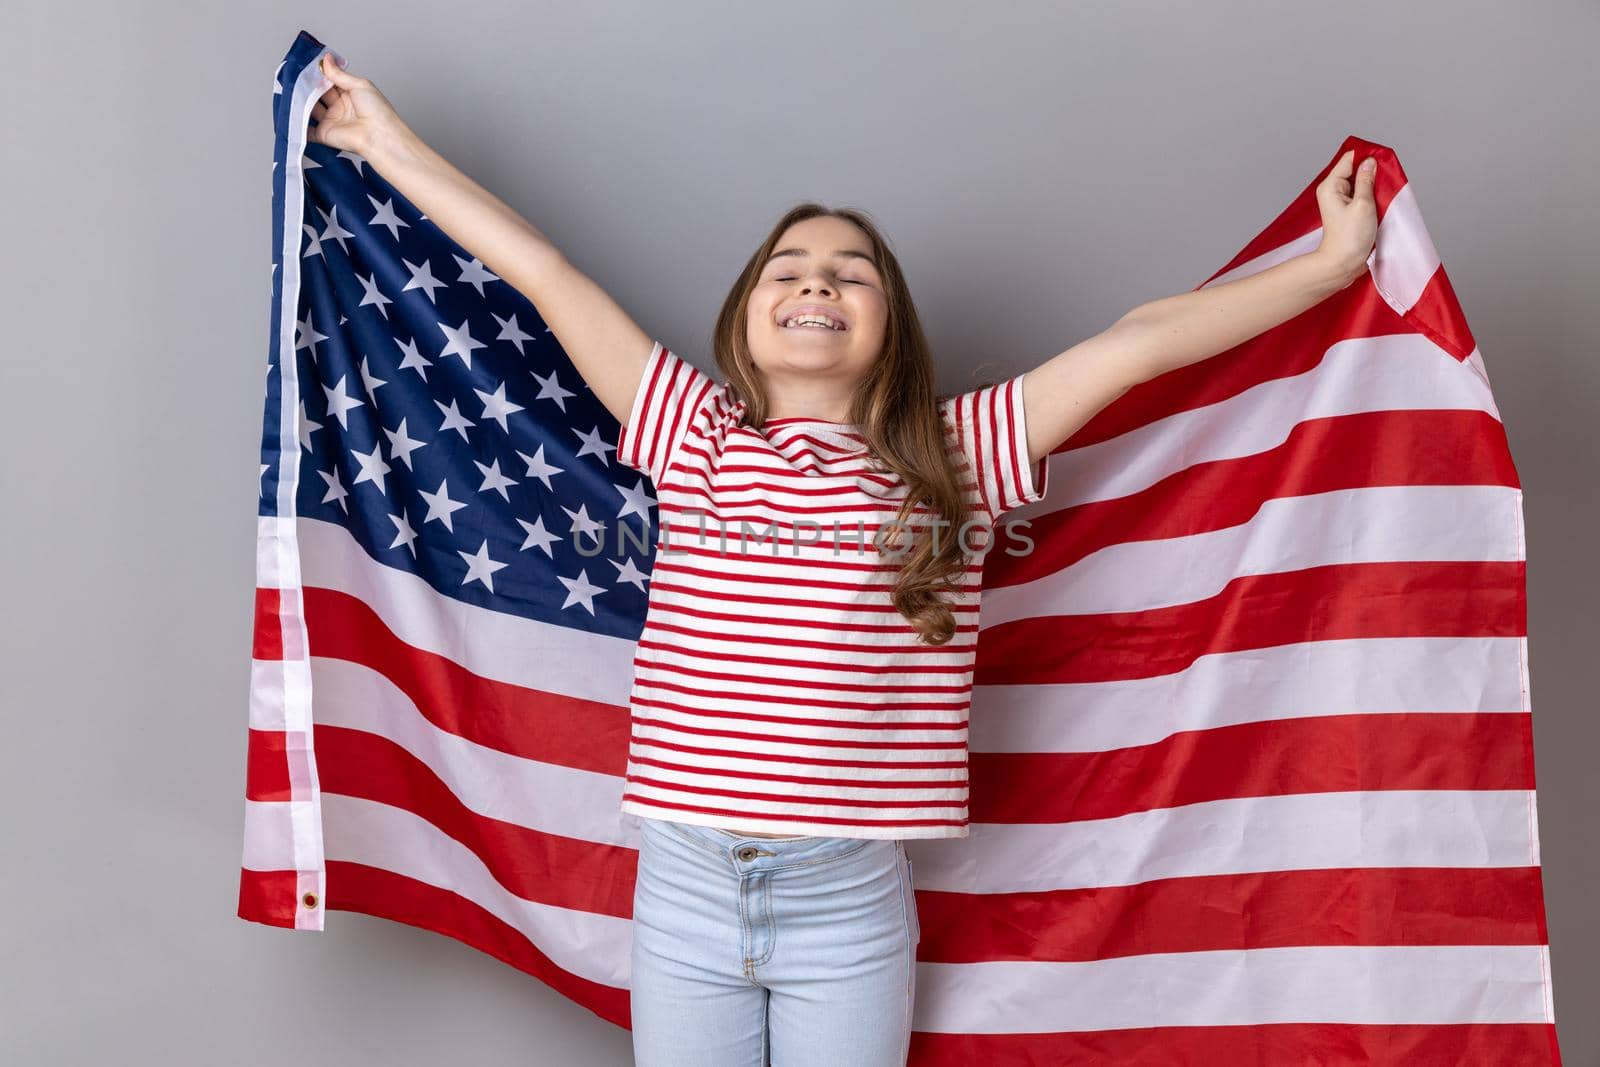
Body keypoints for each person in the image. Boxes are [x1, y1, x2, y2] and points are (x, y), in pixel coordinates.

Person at [307, 50, 1378, 1067]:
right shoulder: (692, 430)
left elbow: (1137, 340)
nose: (816, 282)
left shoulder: (954, 454)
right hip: (682, 892)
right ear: (745, 318)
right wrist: (380, 139)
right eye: (789, 266)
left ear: (890, 327)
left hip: (848, 908)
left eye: (850, 273)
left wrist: (1328, 268)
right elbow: (540, 269)